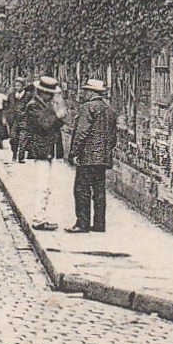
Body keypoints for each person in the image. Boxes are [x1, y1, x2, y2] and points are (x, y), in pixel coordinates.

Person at [68, 79, 119, 233]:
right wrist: (105, 151)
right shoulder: (109, 109)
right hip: (102, 157)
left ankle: (82, 224)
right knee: (99, 191)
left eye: (86, 90)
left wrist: (74, 153)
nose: (83, 93)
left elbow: (81, 132)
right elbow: (113, 137)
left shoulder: (88, 107)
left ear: (91, 92)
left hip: (87, 157)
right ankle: (99, 224)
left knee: (82, 190)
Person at [22, 76, 66, 231]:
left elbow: (55, 123)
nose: (53, 96)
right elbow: (44, 125)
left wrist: (57, 115)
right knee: (42, 186)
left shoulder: (43, 105)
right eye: (50, 93)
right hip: (40, 150)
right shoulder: (33, 106)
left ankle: (41, 216)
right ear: (43, 93)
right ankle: (39, 219)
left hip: (47, 150)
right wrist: (57, 115)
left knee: (46, 186)